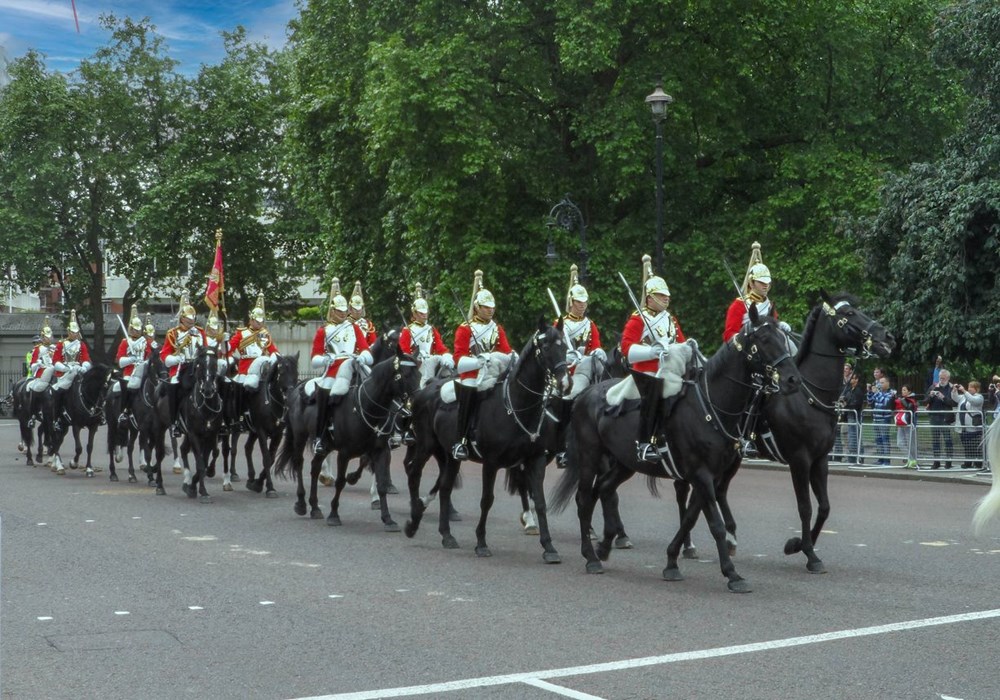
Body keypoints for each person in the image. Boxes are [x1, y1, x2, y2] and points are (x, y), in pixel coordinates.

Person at [620, 254, 686, 463]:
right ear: (650, 297)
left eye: (667, 295)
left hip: (671, 369)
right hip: (646, 371)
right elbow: (626, 349)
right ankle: (645, 442)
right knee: (654, 392)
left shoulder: (671, 320)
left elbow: (681, 343)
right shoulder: (638, 319)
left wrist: (688, 348)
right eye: (661, 295)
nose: (667, 298)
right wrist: (651, 352)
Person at [451, 269, 513, 460]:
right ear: (477, 307)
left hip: (494, 373)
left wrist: (512, 355)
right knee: (468, 393)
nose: (490, 309)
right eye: (486, 306)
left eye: (492, 307)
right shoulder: (465, 329)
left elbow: (505, 350)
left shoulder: (497, 328)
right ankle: (461, 441)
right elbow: (458, 359)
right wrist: (478, 361)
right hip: (472, 376)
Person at [310, 278, 373, 456]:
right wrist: (325, 360)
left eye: (345, 311)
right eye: (339, 311)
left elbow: (366, 350)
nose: (343, 314)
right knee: (325, 392)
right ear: (332, 311)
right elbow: (315, 357)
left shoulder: (354, 328)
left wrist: (362, 357)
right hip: (333, 369)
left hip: (353, 365)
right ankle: (320, 436)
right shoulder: (324, 330)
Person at [554, 265, 607, 467]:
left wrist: (597, 351)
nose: (582, 306)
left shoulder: (589, 324)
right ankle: (562, 448)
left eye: (585, 302)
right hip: (566, 372)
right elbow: (554, 349)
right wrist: (567, 356)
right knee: (566, 398)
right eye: (578, 302)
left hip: (586, 371)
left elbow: (595, 346)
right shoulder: (561, 324)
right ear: (571, 302)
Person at [722, 241, 792, 342]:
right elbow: (729, 335)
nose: (766, 286)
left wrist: (779, 325)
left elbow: (773, 328)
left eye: (767, 283)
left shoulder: (769, 305)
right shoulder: (738, 305)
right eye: (761, 282)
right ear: (751, 283)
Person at [160, 294, 207, 437]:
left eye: (193, 318)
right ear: (182, 318)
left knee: (213, 383)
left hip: (197, 367)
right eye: (188, 318)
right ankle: (175, 423)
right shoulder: (173, 334)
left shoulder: (200, 332)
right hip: (181, 368)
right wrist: (176, 359)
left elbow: (204, 349)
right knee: (175, 388)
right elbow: (164, 355)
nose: (191, 321)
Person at [399, 283, 454, 389]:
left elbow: (440, 348)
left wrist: (447, 357)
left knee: (447, 370)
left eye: (426, 313)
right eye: (421, 313)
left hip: (431, 361)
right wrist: (416, 358)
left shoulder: (431, 329)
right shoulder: (407, 330)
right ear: (414, 314)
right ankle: (423, 389)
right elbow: (404, 353)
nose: (424, 315)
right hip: (416, 365)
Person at [51, 309, 93, 430]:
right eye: (72, 332)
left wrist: (84, 367)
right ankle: (57, 418)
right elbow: (56, 361)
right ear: (68, 331)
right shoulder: (60, 344)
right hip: (66, 373)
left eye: (76, 332)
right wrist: (65, 368)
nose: (74, 334)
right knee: (58, 392)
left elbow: (86, 359)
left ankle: (93, 413)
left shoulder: (81, 345)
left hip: (78, 371)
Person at [229, 294, 280, 392]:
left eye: (261, 321)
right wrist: (224, 342)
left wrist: (277, 359)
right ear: (251, 320)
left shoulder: (265, 334)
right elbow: (229, 348)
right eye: (257, 321)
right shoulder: (241, 333)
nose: (260, 323)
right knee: (238, 391)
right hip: (245, 369)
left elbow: (273, 350)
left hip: (262, 369)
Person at [114, 306, 153, 426]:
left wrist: (145, 361)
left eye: (138, 329)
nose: (136, 331)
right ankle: (125, 410)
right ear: (130, 329)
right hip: (129, 372)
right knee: (126, 385)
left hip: (143, 370)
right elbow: (119, 361)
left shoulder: (145, 342)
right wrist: (131, 359)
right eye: (134, 329)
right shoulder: (125, 342)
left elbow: (150, 356)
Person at [925, 368, 956, 469]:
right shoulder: (934, 386)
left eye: (943, 378)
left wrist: (942, 397)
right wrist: (931, 395)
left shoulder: (951, 388)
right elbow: (925, 401)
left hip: (946, 418)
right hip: (934, 416)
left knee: (947, 440)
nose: (941, 380)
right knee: (935, 440)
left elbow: (953, 403)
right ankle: (936, 462)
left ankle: (948, 462)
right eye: (940, 378)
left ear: (948, 378)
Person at [952, 379, 985, 469]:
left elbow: (973, 401)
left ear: (977, 389)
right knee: (966, 445)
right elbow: (955, 398)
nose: (969, 388)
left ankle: (978, 462)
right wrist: (954, 390)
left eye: (971, 387)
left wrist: (964, 391)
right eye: (968, 387)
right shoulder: (964, 396)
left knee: (975, 445)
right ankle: (968, 462)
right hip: (963, 426)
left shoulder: (979, 397)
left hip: (973, 427)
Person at [866, 375, 896, 465]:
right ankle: (880, 459)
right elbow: (870, 402)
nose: (880, 384)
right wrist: (869, 392)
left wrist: (877, 393)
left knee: (885, 439)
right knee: (878, 440)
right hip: (876, 418)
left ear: (888, 383)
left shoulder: (891, 392)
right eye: (880, 382)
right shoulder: (878, 392)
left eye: (882, 382)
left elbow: (886, 403)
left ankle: (886, 461)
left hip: (884, 419)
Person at [841, 373, 866, 463]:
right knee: (851, 437)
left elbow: (856, 404)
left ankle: (858, 457)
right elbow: (845, 399)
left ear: (856, 380)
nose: (850, 380)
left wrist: (846, 405)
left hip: (855, 416)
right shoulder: (849, 390)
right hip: (850, 416)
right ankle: (852, 457)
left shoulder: (858, 391)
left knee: (856, 437)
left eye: (853, 378)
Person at [894, 385, 919, 469]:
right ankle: (910, 458)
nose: (903, 392)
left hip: (909, 424)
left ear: (909, 391)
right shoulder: (900, 399)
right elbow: (891, 406)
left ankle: (913, 460)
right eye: (902, 390)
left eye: (904, 390)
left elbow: (909, 408)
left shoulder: (912, 399)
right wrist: (892, 398)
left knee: (911, 443)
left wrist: (902, 400)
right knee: (899, 443)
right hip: (901, 423)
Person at [348, 281, 378, 348]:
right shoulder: (344, 323)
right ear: (350, 308)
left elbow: (373, 342)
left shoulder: (368, 324)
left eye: (359, 309)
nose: (358, 311)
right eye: (355, 309)